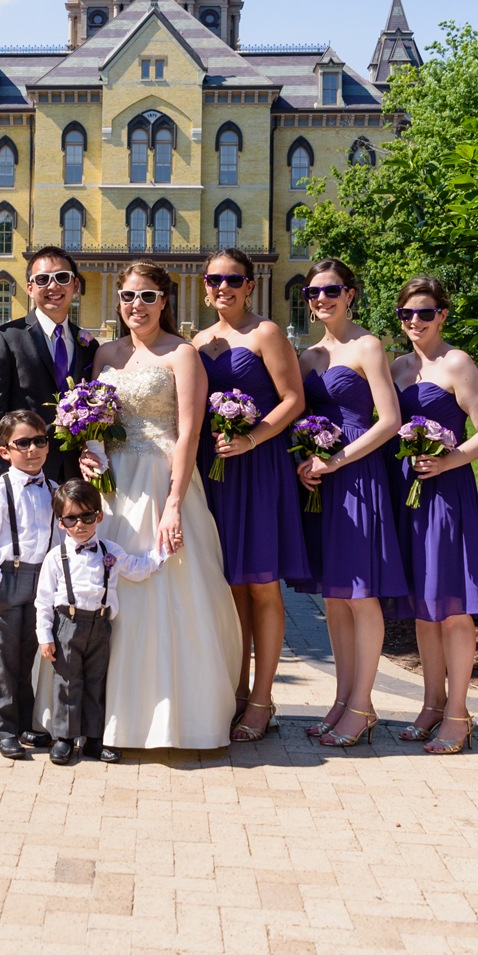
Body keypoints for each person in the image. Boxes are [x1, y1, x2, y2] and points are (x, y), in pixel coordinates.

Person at [82, 261, 241, 749]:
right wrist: (89, 454)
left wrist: (173, 504)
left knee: (166, 590)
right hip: (112, 489)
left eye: (148, 297)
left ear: (164, 302)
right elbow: (94, 421)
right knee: (108, 594)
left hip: (161, 481)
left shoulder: (182, 354)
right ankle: (104, 715)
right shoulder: (105, 353)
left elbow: (189, 432)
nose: (137, 306)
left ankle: (174, 719)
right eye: (129, 296)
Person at [192, 248, 307, 743]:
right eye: (215, 279)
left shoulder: (266, 333)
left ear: (250, 284)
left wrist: (251, 438)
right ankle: (234, 691)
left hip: (258, 466)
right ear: (204, 286)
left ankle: (262, 699)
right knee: (230, 583)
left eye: (233, 279)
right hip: (213, 470)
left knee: (261, 583)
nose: (223, 287)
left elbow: (293, 400)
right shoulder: (197, 340)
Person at [292, 257, 406, 748]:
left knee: (361, 596)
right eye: (313, 293)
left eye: (331, 291)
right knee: (335, 598)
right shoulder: (307, 355)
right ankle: (341, 700)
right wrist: (306, 461)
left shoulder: (368, 345)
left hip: (359, 476)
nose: (321, 299)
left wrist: (336, 461)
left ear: (351, 294)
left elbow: (389, 420)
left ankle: (362, 705)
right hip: (322, 482)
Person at [390, 276, 478, 755]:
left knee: (452, 607)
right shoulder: (396, 368)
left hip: (448, 492)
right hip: (408, 493)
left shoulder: (457, 363)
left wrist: (448, 460)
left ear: (443, 316)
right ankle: (431, 703)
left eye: (425, 313)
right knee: (423, 606)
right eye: (407, 314)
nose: (415, 322)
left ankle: (458, 711)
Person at [35, 479, 168, 765]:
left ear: (99, 516)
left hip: (99, 626)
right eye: (71, 518)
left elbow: (138, 568)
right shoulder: (55, 558)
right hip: (67, 626)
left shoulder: (112, 551)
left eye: (87, 516)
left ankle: (94, 740)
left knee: (96, 682)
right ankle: (65, 739)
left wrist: (163, 553)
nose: (80, 525)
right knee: (67, 683)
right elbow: (43, 599)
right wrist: (44, 635)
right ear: (61, 523)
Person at [0, 409, 59, 759]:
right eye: (23, 443)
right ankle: (4, 729)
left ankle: (24, 723)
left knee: (28, 655)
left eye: (40, 441)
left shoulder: (53, 489)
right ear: (5, 451)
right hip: (9, 577)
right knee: (3, 657)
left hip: (42, 581)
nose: (33, 449)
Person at [0, 246, 97, 486]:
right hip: (24, 471)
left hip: (76, 475)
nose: (53, 287)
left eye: (62, 278)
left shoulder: (88, 345)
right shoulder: (6, 338)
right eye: (43, 279)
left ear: (75, 285)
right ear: (30, 289)